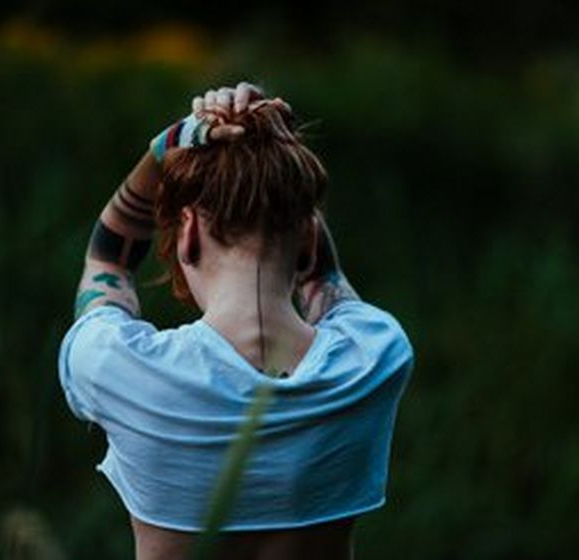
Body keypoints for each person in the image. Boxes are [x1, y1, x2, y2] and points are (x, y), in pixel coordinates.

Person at [57, 81, 415, 560]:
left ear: (186, 233)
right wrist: (272, 144)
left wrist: (170, 145)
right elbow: (323, 274)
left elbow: (109, 260)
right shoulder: (374, 356)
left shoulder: (121, 367)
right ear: (307, 235)